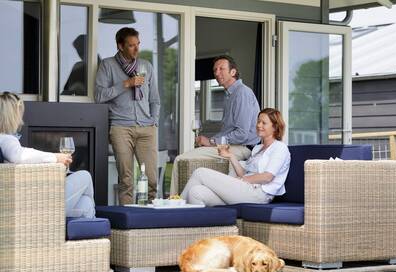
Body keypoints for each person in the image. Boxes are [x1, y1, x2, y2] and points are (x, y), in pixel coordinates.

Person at [170, 55, 260, 195]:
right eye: (215, 70)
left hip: (242, 148)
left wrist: (212, 141)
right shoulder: (230, 95)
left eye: (221, 69)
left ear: (233, 72)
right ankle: (189, 199)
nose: (217, 73)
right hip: (231, 147)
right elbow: (228, 132)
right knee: (188, 159)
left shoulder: (242, 93)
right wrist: (210, 141)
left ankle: (174, 203)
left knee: (180, 159)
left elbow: (242, 134)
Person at [0, 92, 96, 218]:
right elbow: (19, 155)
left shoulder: (5, 140)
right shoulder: (6, 139)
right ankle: (92, 229)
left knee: (86, 204)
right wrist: (55, 157)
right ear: (12, 115)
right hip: (37, 206)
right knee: (85, 176)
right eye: (19, 113)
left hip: (30, 201)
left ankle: (63, 234)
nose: (21, 119)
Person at [95, 27, 160, 205]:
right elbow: (99, 96)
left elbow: (155, 99)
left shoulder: (146, 66)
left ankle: (153, 216)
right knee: (126, 179)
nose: (136, 49)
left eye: (138, 44)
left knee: (152, 179)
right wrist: (126, 83)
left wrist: (154, 121)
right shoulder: (107, 65)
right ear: (120, 46)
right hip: (120, 128)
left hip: (147, 128)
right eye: (131, 46)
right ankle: (129, 219)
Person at [181, 108, 290, 206]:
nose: (259, 125)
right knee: (195, 192)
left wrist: (242, 180)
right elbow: (243, 173)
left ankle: (174, 208)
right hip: (244, 190)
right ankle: (194, 226)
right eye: (258, 121)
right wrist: (231, 156)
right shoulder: (258, 149)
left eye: (264, 123)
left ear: (275, 127)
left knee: (200, 172)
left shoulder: (280, 148)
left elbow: (267, 177)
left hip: (259, 194)